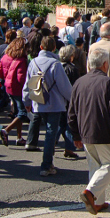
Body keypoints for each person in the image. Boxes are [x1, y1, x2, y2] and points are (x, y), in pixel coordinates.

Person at [68, 48, 110, 214]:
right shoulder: (108, 83)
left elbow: (71, 112)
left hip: (86, 131)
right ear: (105, 64)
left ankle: (97, 201)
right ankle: (91, 193)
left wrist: (75, 134)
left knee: (95, 166)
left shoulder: (79, 82)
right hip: (104, 132)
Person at [22, 36, 73, 176]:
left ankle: (46, 162)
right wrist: (73, 101)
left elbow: (28, 84)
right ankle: (46, 164)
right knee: (50, 134)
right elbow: (65, 87)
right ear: (54, 48)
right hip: (55, 103)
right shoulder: (55, 64)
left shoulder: (33, 63)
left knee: (47, 132)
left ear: (41, 47)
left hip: (38, 101)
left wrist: (26, 101)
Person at [0, 38, 29, 147]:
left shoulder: (5, 57)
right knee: (23, 113)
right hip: (18, 89)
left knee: (17, 113)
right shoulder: (21, 60)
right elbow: (21, 78)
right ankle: (6, 130)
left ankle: (19, 137)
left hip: (8, 87)